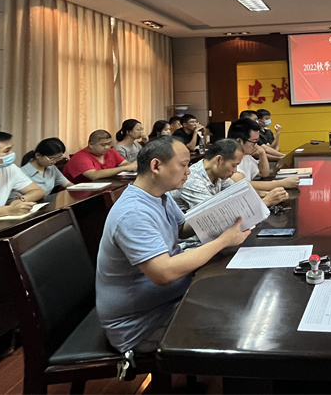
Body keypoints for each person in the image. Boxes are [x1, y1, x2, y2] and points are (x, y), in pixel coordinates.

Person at [95, 137, 249, 354]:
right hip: (143, 325)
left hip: (170, 299)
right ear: (156, 166)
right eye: (183, 165)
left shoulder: (160, 195)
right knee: (237, 326)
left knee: (238, 300)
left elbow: (181, 228)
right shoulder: (133, 213)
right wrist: (224, 240)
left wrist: (222, 215)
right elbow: (164, 273)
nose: (189, 171)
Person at [172, 139, 288, 212]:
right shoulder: (192, 180)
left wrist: (270, 195)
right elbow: (214, 214)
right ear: (218, 160)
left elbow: (239, 192)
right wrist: (266, 201)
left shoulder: (218, 173)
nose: (235, 170)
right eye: (234, 165)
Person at [227, 118, 299, 192]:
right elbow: (245, 184)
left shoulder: (247, 156)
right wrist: (281, 183)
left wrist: (262, 153)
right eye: (254, 142)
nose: (256, 146)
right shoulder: (228, 159)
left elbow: (264, 173)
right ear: (239, 141)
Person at [64, 130, 138, 184]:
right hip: (79, 195)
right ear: (91, 144)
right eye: (103, 145)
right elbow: (94, 175)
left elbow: (125, 163)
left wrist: (131, 166)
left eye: (109, 144)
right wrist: (124, 168)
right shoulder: (80, 158)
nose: (107, 147)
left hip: (106, 187)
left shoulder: (110, 151)